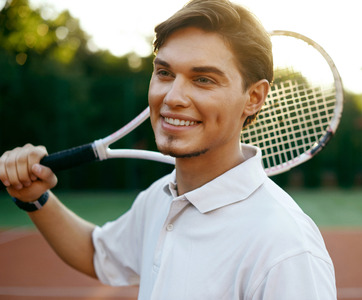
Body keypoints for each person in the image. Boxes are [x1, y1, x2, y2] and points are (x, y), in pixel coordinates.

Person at [0, 0, 336, 298]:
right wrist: (35, 197)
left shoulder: (287, 249)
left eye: (203, 79)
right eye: (164, 72)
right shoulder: (160, 197)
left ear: (253, 98)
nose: (173, 97)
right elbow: (97, 253)